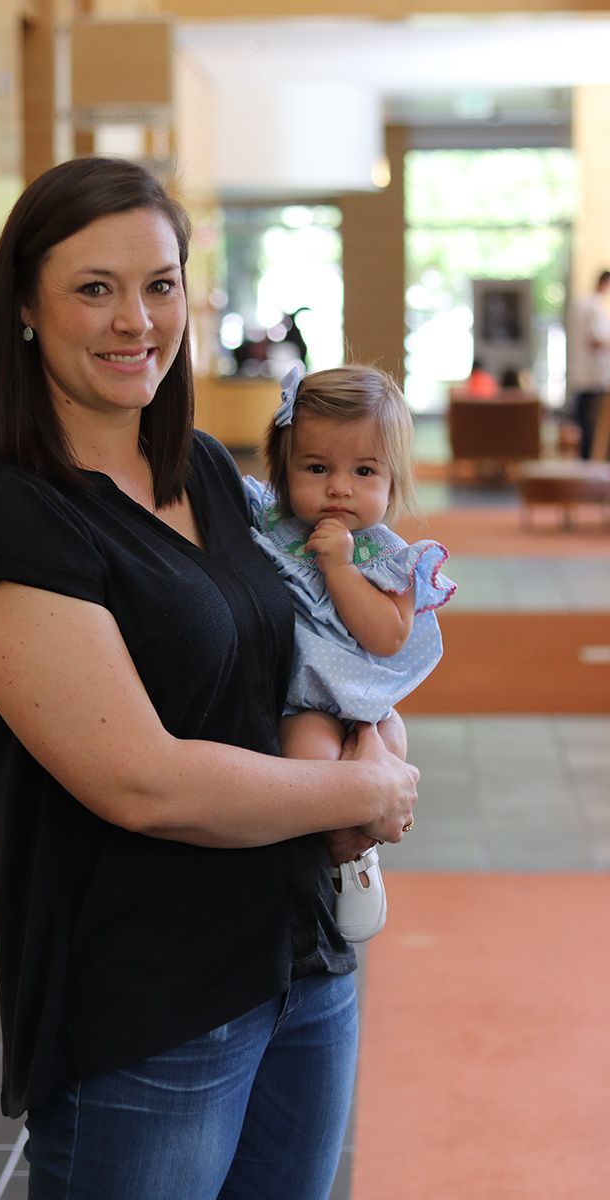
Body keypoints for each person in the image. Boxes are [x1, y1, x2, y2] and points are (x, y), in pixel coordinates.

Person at [0, 157, 419, 1200]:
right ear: (25, 306)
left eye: (158, 284)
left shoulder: (200, 468)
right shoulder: (9, 517)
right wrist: (360, 791)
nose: (135, 320)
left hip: (301, 961)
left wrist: (376, 734)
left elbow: (308, 656)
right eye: (93, 288)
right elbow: (140, 781)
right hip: (153, 1005)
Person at [244, 365, 455, 943]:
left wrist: (339, 568)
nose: (340, 488)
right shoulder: (271, 524)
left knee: (380, 762)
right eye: (317, 468)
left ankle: (357, 856)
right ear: (284, 469)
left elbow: (387, 636)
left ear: (393, 479)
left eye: (364, 471)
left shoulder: (387, 556)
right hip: (302, 699)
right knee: (309, 759)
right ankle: (329, 854)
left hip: (365, 703)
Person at [569, 269, 610, 458]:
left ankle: (586, 460)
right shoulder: (593, 307)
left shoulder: (580, 305)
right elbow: (595, 340)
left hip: (583, 375)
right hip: (593, 377)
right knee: (592, 425)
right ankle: (591, 460)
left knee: (585, 424)